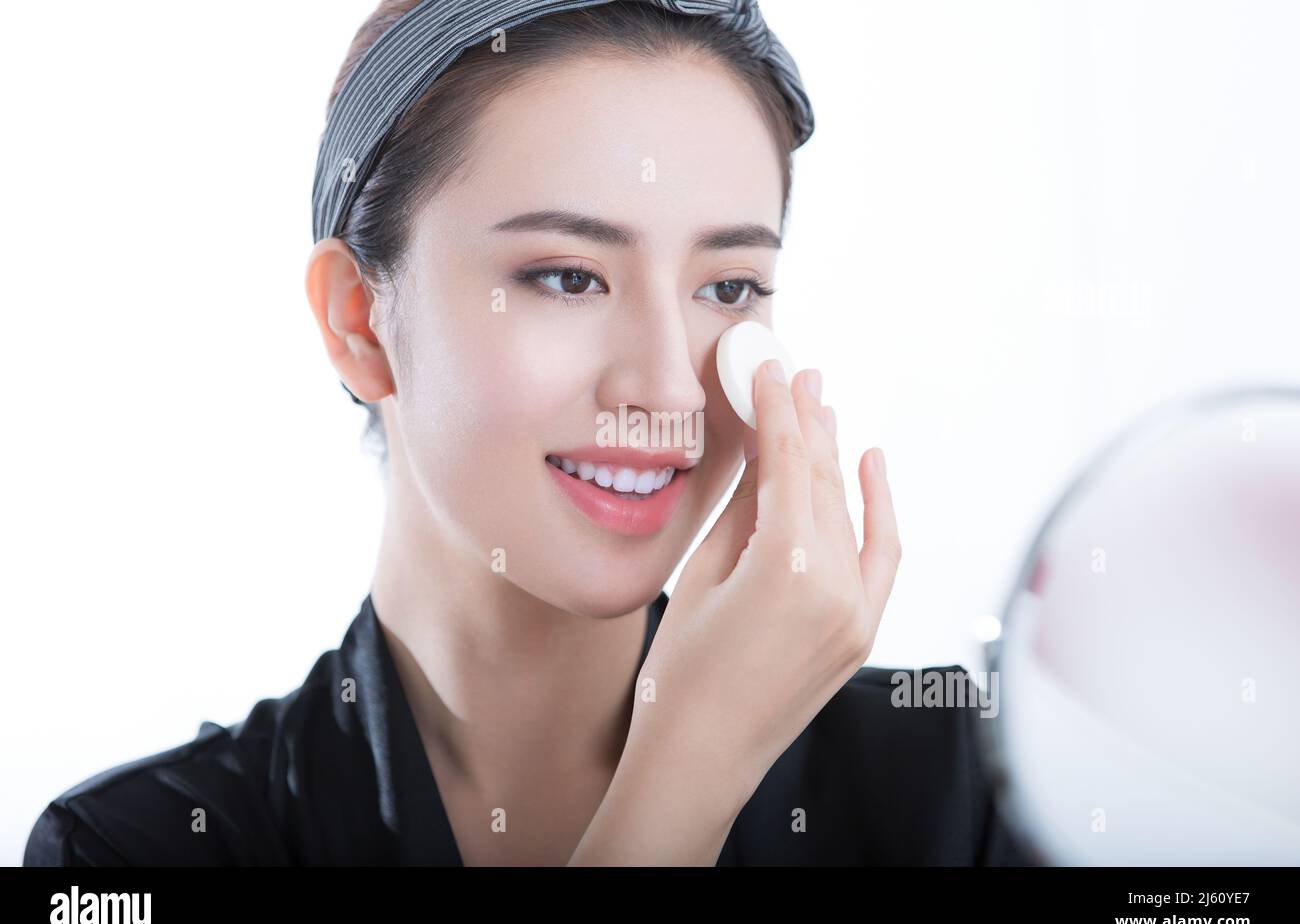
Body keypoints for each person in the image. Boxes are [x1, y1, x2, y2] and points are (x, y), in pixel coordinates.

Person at [24, 0, 1033, 867]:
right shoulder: (133, 851)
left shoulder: (954, 778)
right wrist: (683, 776)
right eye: (567, 276)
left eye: (727, 287)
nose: (666, 381)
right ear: (358, 319)